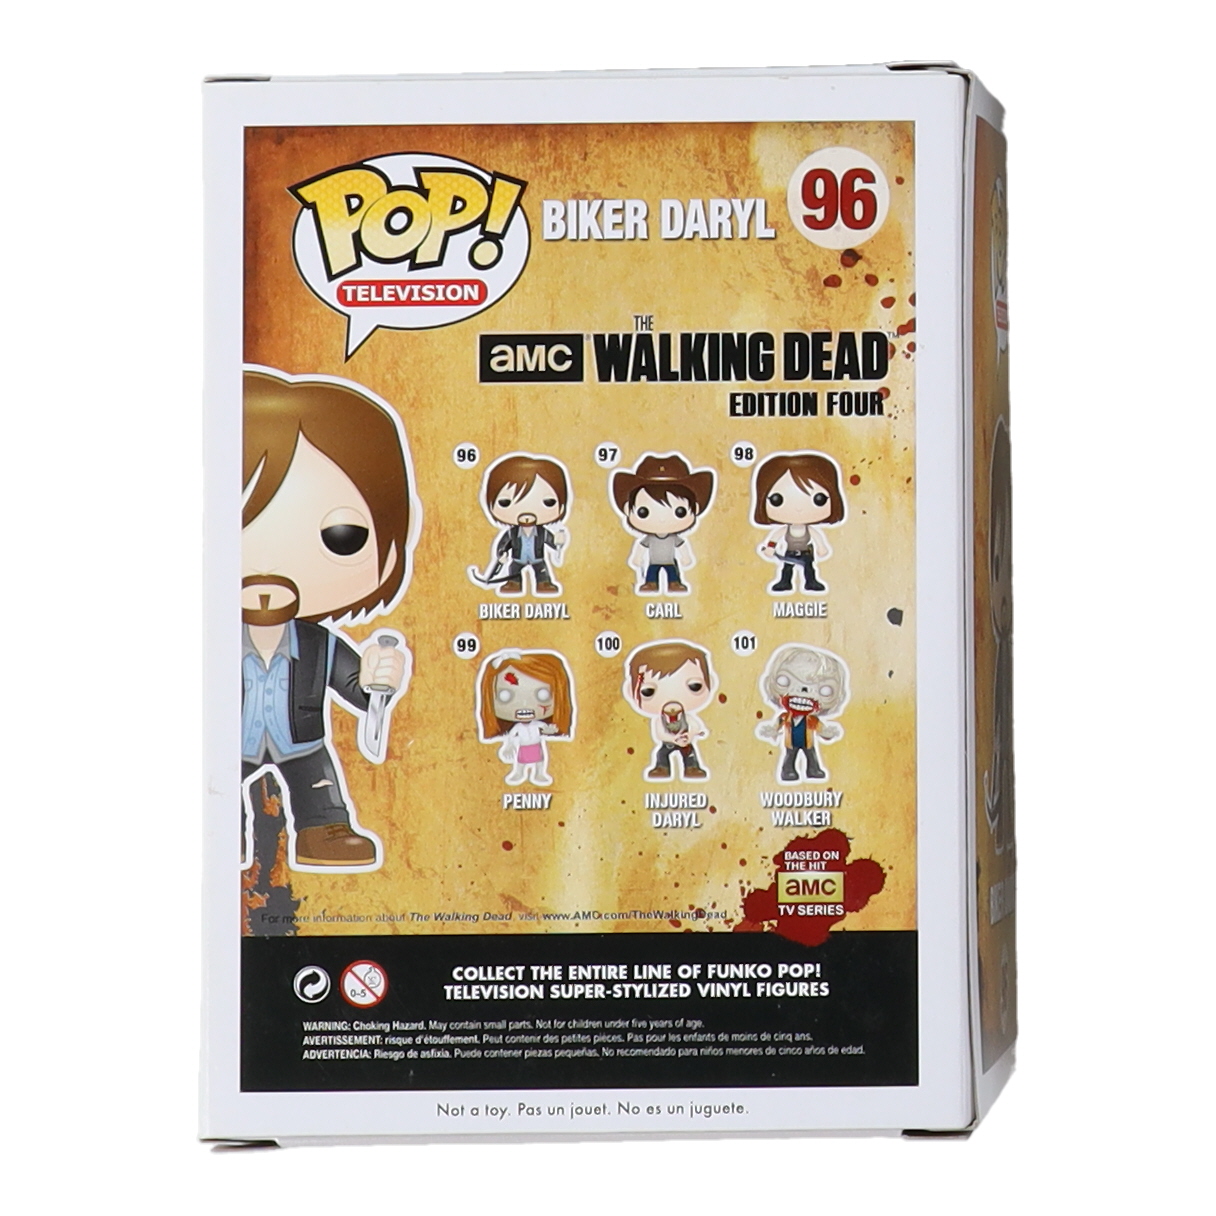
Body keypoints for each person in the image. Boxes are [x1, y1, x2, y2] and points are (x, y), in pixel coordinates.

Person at [241, 367, 416, 869]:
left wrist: (379, 682)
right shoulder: (209, 644)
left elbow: (358, 692)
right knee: (213, 801)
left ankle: (324, 830)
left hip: (303, 745)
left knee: (321, 795)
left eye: (342, 537)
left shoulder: (320, 644)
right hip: (225, 750)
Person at [611, 453, 715, 594]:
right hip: (653, 562)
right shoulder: (650, 538)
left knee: (673, 574)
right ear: (627, 510)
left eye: (680, 512)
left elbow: (681, 546)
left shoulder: (673, 538)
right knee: (651, 574)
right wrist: (636, 558)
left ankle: (674, 583)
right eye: (643, 512)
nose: (662, 520)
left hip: (670, 562)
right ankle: (650, 584)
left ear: (695, 509)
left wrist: (686, 558)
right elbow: (641, 547)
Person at [469, 453, 570, 595]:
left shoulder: (542, 532)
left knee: (542, 572)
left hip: (537, 559)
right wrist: (501, 553)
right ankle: (513, 583)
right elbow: (503, 544)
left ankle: (543, 583)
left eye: (548, 502)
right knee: (514, 571)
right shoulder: (512, 533)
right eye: (505, 502)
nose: (527, 513)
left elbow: (552, 543)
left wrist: (558, 543)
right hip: (518, 559)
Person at [751, 451, 846, 593]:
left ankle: (811, 582)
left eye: (819, 499)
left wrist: (821, 547)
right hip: (789, 552)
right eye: (777, 500)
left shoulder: (809, 530)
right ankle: (785, 583)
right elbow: (775, 538)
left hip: (806, 552)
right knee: (787, 569)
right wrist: (770, 548)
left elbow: (817, 537)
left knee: (809, 568)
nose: (798, 508)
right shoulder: (785, 530)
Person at [476, 650, 575, 786]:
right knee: (521, 763)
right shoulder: (517, 727)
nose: (524, 705)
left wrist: (551, 730)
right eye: (505, 696)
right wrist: (509, 746)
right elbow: (511, 737)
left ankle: (539, 774)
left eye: (542, 695)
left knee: (539, 761)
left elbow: (546, 729)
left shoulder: (537, 725)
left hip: (536, 746)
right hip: (523, 748)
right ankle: (519, 773)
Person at [755, 644, 849, 783]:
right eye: (785, 680)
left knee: (811, 756)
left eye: (824, 689)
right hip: (791, 743)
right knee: (789, 757)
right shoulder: (785, 717)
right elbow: (777, 725)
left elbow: (820, 728)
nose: (803, 691)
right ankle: (788, 771)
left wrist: (827, 732)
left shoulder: (811, 719)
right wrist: (771, 730)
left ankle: (813, 770)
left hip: (807, 742)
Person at [624, 640, 716, 780]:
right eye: (648, 691)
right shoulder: (659, 721)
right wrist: (673, 739)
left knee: (690, 754)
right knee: (662, 754)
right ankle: (662, 768)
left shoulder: (687, 718)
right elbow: (660, 734)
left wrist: (691, 734)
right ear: (630, 692)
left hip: (685, 742)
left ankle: (692, 768)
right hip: (669, 743)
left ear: (710, 682)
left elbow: (694, 726)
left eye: (695, 686)